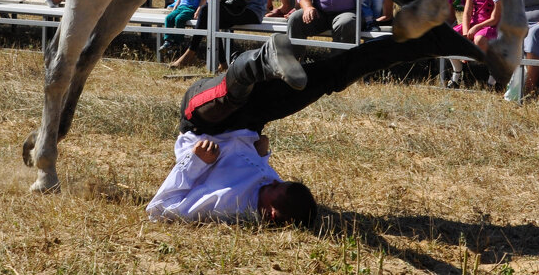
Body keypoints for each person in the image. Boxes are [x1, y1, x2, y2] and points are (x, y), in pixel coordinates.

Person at [150, 24, 482, 223]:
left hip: (202, 123)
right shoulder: (269, 190)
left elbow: (161, 208)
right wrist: (261, 156)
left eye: (277, 188)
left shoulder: (227, 207)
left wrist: (194, 163)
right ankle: (432, 41)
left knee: (228, 96)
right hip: (254, 120)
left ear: (272, 215)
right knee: (332, 76)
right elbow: (257, 172)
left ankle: (259, 62)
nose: (275, 182)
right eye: (279, 183)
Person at [170, 0, 271, 69]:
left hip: (252, 11)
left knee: (208, 14)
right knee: (210, 16)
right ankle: (219, 63)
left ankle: (191, 54)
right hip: (235, 7)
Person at [445, 0, 501, 88]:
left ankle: (493, 77)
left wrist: (477, 27)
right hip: (471, 25)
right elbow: (466, 14)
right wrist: (465, 34)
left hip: (488, 27)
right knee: (449, 37)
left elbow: (495, 18)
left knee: (479, 39)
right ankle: (457, 73)